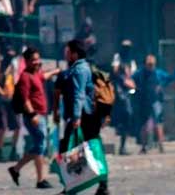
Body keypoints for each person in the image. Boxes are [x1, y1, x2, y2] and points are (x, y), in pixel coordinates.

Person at [60, 39, 108, 195]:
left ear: (75, 54)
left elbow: (79, 95)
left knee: (69, 148)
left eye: (68, 51)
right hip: (86, 114)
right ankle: (100, 186)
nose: (66, 54)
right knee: (89, 147)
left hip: (83, 115)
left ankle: (72, 187)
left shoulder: (80, 70)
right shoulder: (79, 68)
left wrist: (76, 117)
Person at [7, 47, 60, 189]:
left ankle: (16, 169)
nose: (37, 62)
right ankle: (40, 180)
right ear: (26, 61)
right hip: (34, 116)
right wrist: (32, 115)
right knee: (40, 145)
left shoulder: (35, 74)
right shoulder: (25, 77)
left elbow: (44, 76)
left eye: (38, 59)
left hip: (41, 115)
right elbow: (25, 99)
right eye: (33, 60)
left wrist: (55, 71)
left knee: (39, 145)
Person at [132, 54, 174, 154]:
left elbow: (169, 79)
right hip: (143, 101)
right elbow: (131, 79)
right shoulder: (140, 73)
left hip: (156, 101)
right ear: (145, 64)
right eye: (149, 64)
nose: (150, 66)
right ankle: (143, 147)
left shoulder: (158, 73)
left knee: (158, 123)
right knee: (143, 125)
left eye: (152, 64)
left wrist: (161, 86)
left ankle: (161, 146)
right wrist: (136, 88)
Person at [0, 47, 21, 162]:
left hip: (11, 99)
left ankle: (13, 150)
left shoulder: (11, 66)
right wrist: (3, 93)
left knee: (17, 126)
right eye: (9, 55)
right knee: (3, 127)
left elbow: (12, 81)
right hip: (1, 100)